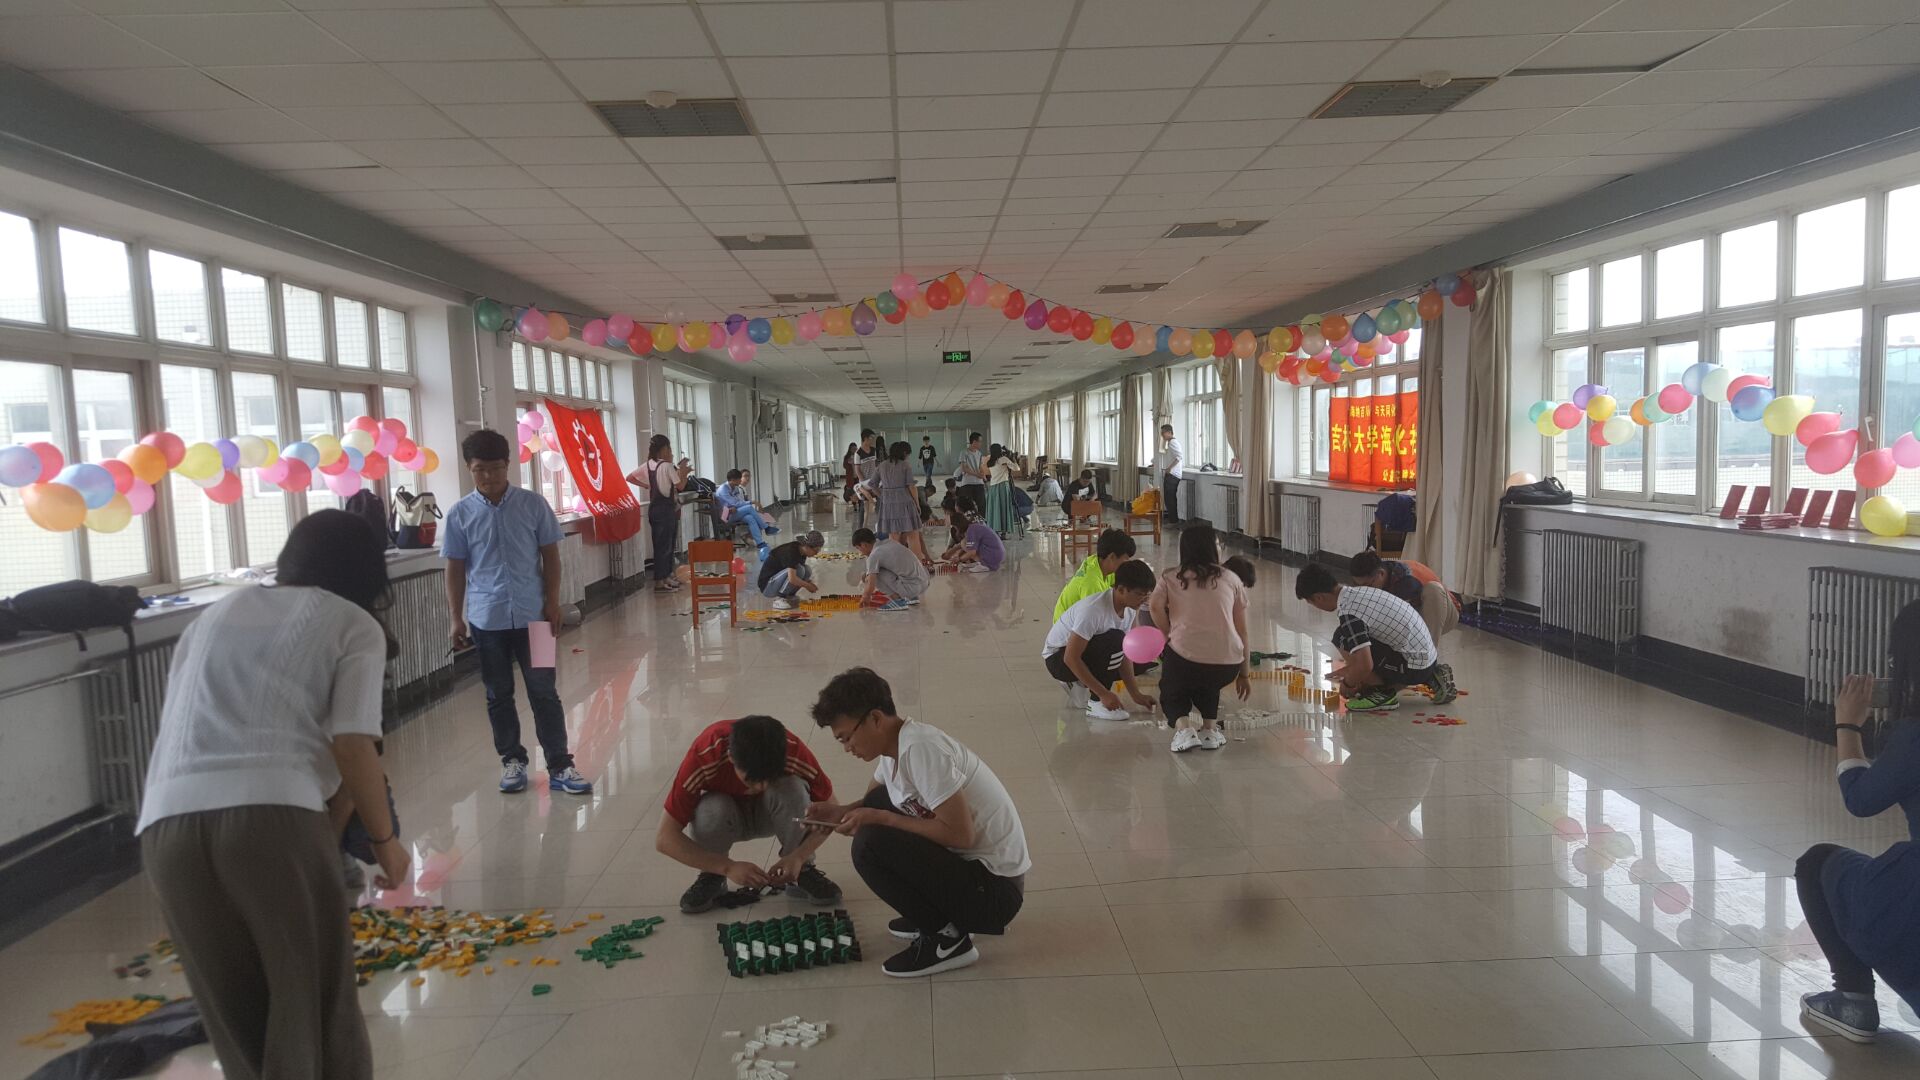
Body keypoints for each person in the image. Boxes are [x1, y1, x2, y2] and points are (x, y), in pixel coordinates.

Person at [138, 511, 407, 1079]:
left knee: (236, 1017)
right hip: (271, 819)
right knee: (312, 1004)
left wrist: (326, 837)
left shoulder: (214, 614)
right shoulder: (352, 623)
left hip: (166, 824)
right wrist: (386, 845)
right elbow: (352, 746)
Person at [807, 668, 1029, 977]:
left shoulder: (920, 749)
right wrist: (841, 811)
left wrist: (882, 818)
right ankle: (936, 912)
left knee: (870, 844)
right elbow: (872, 802)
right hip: (974, 876)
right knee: (877, 804)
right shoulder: (893, 747)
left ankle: (948, 940)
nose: (847, 748)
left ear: (875, 719)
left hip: (994, 893)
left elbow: (961, 836)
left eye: (847, 737)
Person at [1795, 601, 1920, 1043]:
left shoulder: (1913, 738)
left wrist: (1847, 726)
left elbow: (1861, 799)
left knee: (1817, 863)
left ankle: (1852, 999)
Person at [446, 429, 592, 795]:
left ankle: (560, 764)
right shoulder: (460, 514)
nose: (488, 477)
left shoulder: (533, 505)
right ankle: (512, 760)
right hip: (486, 620)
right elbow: (455, 568)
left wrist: (553, 602)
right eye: (480, 470)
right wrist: (456, 617)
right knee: (498, 694)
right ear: (469, 469)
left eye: (495, 468)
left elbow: (551, 557)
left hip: (536, 617)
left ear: (508, 465)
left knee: (544, 691)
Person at [655, 715, 843, 914]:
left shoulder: (791, 750)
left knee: (792, 789)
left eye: (769, 779)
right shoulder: (705, 754)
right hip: (726, 818)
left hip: (772, 815)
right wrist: (727, 867)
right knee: (710, 808)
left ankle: (801, 871)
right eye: (751, 780)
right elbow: (664, 838)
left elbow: (833, 812)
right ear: (731, 757)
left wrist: (799, 856)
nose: (760, 787)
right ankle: (712, 875)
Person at [1294, 562, 1455, 711]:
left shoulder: (1349, 612)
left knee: (1341, 638)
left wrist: (1348, 684)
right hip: (1428, 659)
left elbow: (1365, 665)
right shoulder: (1359, 592)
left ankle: (1380, 693)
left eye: (1312, 603)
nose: (1316, 607)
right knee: (1350, 637)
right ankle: (1432, 675)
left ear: (1319, 597)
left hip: (1415, 667)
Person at [1149, 525, 1251, 753]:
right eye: (1218, 544)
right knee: (1208, 681)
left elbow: (1154, 607)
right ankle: (1209, 730)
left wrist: (1167, 634)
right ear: (1211, 548)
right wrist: (1244, 674)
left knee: (1172, 687)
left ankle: (1184, 729)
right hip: (1227, 665)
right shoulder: (1231, 578)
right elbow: (1243, 631)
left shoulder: (1170, 577)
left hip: (1186, 660)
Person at [1044, 559, 1158, 721]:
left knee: (1138, 661)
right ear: (1121, 589)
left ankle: (1080, 683)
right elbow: (1070, 657)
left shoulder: (1130, 610)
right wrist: (1103, 694)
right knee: (1115, 640)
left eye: (1148, 595)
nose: (1144, 600)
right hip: (1058, 660)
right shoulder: (1093, 610)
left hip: (1084, 652)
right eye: (1140, 594)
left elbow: (1124, 654)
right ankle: (1095, 703)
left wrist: (1136, 695)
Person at [628, 434, 692, 595]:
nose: (670, 452)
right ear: (663, 449)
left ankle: (664, 578)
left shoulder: (648, 465)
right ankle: (660, 581)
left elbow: (630, 477)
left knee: (660, 545)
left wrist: (647, 486)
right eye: (669, 448)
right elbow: (681, 486)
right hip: (666, 510)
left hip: (654, 510)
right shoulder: (667, 466)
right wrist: (684, 472)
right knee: (666, 546)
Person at [1351, 549, 1458, 644]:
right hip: (1413, 613)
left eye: (1369, 585)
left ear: (1381, 574)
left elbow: (1404, 621)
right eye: (1358, 586)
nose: (1364, 590)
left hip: (1444, 613)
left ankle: (1428, 654)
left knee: (1433, 589)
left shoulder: (1406, 581)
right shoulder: (1378, 575)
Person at [865, 440, 929, 563]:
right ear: (904, 453)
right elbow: (911, 486)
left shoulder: (882, 465)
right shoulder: (905, 465)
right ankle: (918, 564)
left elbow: (872, 484)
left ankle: (895, 564)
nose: (908, 457)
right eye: (908, 454)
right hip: (905, 502)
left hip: (888, 504)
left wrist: (882, 495)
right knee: (913, 534)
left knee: (893, 536)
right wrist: (917, 503)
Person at [1054, 528, 1137, 621]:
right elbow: (1095, 618)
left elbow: (1124, 580)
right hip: (1067, 625)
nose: (1127, 563)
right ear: (1112, 557)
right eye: (1126, 559)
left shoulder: (1098, 562)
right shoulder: (1092, 584)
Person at [853, 527, 929, 609]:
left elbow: (871, 582)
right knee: (877, 570)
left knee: (875, 574)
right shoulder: (889, 542)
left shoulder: (874, 555)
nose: (860, 552)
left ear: (864, 545)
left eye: (858, 548)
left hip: (912, 588)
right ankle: (912, 597)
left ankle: (898, 601)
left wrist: (865, 596)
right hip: (924, 582)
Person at [716, 468, 779, 561]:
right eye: (739, 478)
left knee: (750, 518)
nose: (740, 480)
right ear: (733, 480)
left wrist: (737, 505)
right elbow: (735, 503)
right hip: (725, 515)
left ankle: (760, 543)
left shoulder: (735, 488)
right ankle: (766, 528)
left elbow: (737, 502)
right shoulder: (723, 489)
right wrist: (751, 502)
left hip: (734, 512)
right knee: (749, 508)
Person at [757, 530, 825, 610]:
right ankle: (780, 598)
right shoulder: (791, 551)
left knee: (807, 570)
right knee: (800, 570)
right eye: (816, 550)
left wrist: (810, 583)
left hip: (776, 581)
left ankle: (789, 595)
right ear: (807, 546)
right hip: (767, 586)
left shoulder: (802, 551)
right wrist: (807, 586)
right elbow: (792, 579)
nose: (816, 553)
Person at [985, 445, 1023, 538]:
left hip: (993, 487)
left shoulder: (990, 461)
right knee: (1003, 508)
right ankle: (1003, 533)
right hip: (1002, 486)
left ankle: (995, 531)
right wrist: (1013, 458)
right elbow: (1017, 468)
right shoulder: (1003, 459)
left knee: (995, 509)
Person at [1156, 423, 1184, 524]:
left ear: (1169, 432)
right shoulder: (1171, 442)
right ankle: (1173, 520)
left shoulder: (1173, 442)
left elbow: (1179, 457)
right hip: (1172, 474)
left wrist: (1169, 468)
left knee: (1169, 499)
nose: (1162, 435)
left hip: (1173, 475)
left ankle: (1173, 521)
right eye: (1161, 433)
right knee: (1169, 498)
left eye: (1163, 433)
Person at [956, 431, 987, 505]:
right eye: (980, 441)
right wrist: (977, 474)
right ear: (974, 442)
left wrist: (983, 475)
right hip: (968, 483)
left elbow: (980, 466)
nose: (981, 443)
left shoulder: (979, 453)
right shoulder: (964, 452)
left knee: (981, 504)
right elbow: (964, 468)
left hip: (979, 483)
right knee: (969, 505)